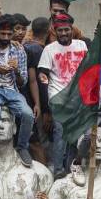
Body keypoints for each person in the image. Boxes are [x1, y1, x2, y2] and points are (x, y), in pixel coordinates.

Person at [0, 15, 33, 167]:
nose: (6, 37)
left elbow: (23, 82)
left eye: (9, 34)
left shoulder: (19, 51)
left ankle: (22, 147)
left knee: (28, 114)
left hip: (12, 90)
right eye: (3, 34)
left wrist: (15, 71)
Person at [37, 13, 87, 174]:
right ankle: (58, 170)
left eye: (67, 30)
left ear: (72, 29)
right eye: (60, 31)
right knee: (60, 132)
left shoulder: (82, 46)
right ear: (54, 31)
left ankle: (71, 167)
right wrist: (46, 107)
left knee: (81, 136)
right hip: (58, 96)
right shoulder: (49, 50)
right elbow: (42, 77)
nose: (64, 33)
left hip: (78, 98)